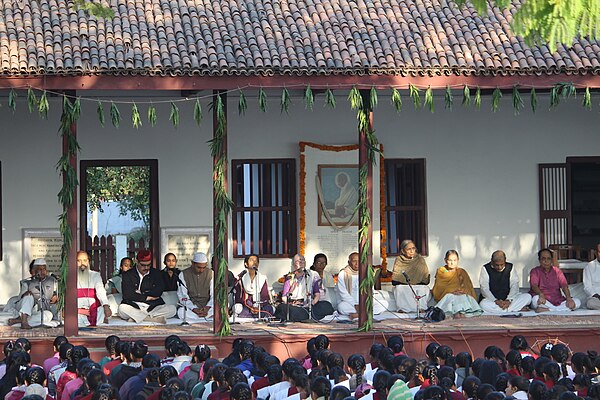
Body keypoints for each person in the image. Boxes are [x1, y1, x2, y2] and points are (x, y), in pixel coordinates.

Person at [118, 250, 177, 324]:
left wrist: (139, 293)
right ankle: (153, 319)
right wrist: (147, 297)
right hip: (134, 306)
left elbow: (158, 291)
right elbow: (127, 295)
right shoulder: (128, 275)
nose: (146, 268)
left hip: (152, 306)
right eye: (143, 265)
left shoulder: (156, 273)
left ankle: (138, 318)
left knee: (172, 309)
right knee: (122, 309)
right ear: (137, 261)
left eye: (148, 265)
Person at [7, 259, 60, 329]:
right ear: (34, 271)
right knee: (28, 296)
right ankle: (24, 320)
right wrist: (25, 294)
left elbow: (57, 293)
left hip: (40, 312)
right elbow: (20, 298)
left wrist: (56, 296)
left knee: (48, 315)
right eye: (40, 269)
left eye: (44, 269)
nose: (42, 271)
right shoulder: (27, 282)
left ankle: (19, 321)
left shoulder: (52, 281)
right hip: (27, 310)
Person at [431, 250, 482, 318]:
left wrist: (462, 290)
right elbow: (439, 287)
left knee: (461, 296)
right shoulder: (441, 271)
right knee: (452, 296)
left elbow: (468, 286)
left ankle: (461, 313)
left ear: (458, 260)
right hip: (447, 295)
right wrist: (453, 291)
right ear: (445, 260)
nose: (452, 263)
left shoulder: (461, 272)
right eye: (450, 260)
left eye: (455, 260)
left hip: (461, 294)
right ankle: (458, 314)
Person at [336, 252, 387, 320]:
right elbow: (343, 293)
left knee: (384, 304)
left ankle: (357, 315)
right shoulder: (343, 274)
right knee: (341, 307)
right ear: (349, 262)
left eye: (359, 261)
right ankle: (366, 314)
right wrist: (355, 305)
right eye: (354, 261)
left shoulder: (366, 273)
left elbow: (370, 290)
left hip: (364, 303)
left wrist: (366, 303)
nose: (357, 264)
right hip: (350, 304)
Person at [391, 240, 431, 313]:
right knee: (399, 289)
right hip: (404, 285)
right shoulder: (399, 260)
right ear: (403, 251)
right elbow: (396, 278)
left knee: (424, 289)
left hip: (418, 285)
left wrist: (416, 283)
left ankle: (421, 308)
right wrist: (408, 283)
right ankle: (403, 309)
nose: (412, 251)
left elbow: (425, 277)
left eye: (413, 248)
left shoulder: (420, 259)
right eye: (409, 249)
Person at [76, 250, 112, 327]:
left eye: (85, 260)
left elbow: (101, 291)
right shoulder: (70, 276)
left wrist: (106, 305)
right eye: (79, 261)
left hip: (94, 309)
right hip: (77, 310)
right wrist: (79, 310)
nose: (82, 263)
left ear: (88, 261)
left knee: (102, 310)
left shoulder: (95, 275)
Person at [233, 255, 274, 319]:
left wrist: (258, 306)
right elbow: (238, 297)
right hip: (246, 306)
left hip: (259, 306)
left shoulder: (262, 278)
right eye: (252, 260)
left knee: (269, 308)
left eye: (256, 261)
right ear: (246, 264)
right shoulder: (241, 279)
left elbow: (265, 296)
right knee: (237, 308)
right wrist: (250, 306)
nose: (255, 262)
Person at [274, 255, 312, 322]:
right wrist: (291, 290)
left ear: (305, 263)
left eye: (302, 260)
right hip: (292, 305)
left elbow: (317, 294)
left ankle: (301, 316)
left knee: (325, 305)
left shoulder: (312, 275)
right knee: (282, 307)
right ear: (294, 265)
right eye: (298, 261)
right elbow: (284, 297)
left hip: (307, 305)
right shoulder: (290, 277)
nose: (301, 262)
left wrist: (310, 303)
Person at [177, 252, 214, 322]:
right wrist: (194, 308)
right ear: (193, 263)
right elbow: (182, 295)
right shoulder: (183, 274)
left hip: (207, 307)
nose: (201, 270)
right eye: (199, 267)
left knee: (222, 307)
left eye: (204, 267)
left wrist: (208, 307)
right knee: (181, 311)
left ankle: (199, 318)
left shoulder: (211, 273)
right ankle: (203, 318)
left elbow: (214, 294)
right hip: (192, 308)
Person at [583, 242, 600, 310]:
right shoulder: (589, 266)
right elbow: (587, 287)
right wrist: (597, 296)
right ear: (596, 253)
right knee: (591, 303)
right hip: (596, 298)